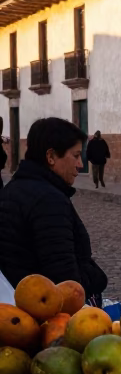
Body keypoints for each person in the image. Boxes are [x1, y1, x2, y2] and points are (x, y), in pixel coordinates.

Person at [0, 116, 107, 301]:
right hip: (41, 312)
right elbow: (65, 282)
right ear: (50, 156)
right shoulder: (48, 201)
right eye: (75, 156)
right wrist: (97, 276)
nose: (80, 164)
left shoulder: (13, 189)